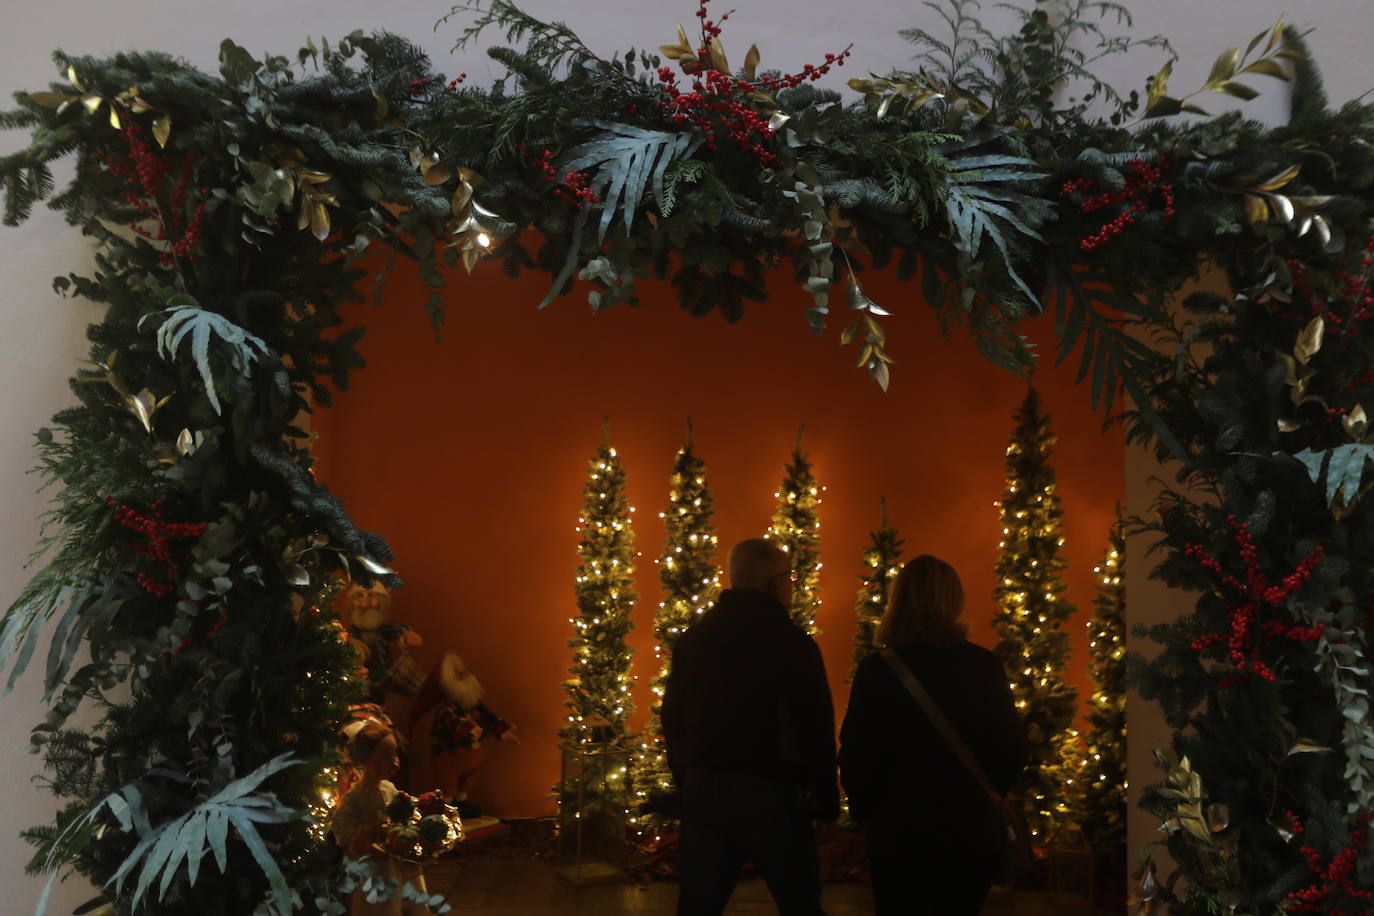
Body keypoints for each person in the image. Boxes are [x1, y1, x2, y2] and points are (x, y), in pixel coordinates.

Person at [839, 554, 1028, 915]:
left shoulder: (879, 669)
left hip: (899, 832)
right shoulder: (983, 666)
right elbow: (1013, 750)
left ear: (900, 601)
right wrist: (981, 798)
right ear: (954, 601)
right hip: (969, 832)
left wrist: (869, 814)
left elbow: (857, 753)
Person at [662, 537, 839, 916]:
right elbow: (815, 727)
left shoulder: (694, 640)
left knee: (697, 906)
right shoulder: (792, 643)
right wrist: (825, 801)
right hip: (775, 797)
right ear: (774, 583)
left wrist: (688, 778)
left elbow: (673, 719)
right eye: (789, 576)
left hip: (706, 793)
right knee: (801, 904)